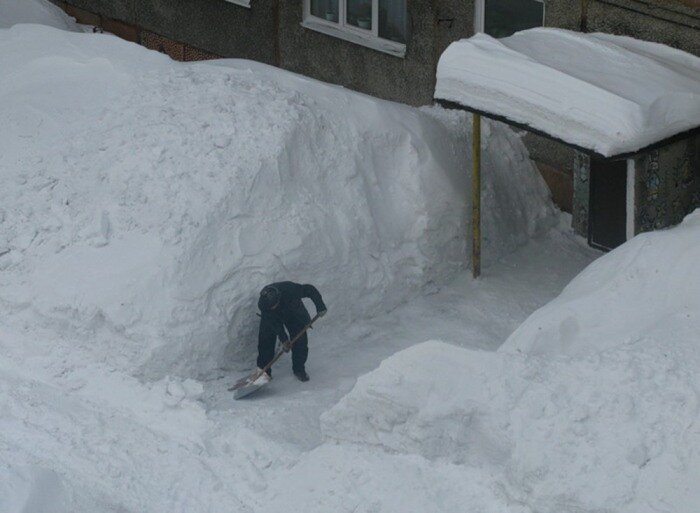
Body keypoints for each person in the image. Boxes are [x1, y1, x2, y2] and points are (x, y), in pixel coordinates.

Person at [256, 281, 327, 382]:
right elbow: (275, 324)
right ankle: (263, 372)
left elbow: (310, 289)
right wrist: (284, 339)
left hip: (292, 313)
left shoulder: (290, 289)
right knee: (265, 340)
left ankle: (299, 369)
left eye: (273, 306)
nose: (272, 308)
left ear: (278, 299)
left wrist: (320, 306)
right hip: (272, 318)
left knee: (300, 342)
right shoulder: (265, 305)